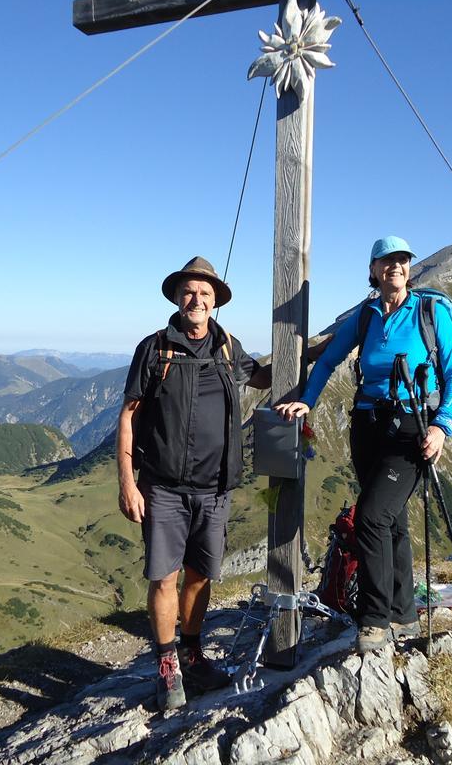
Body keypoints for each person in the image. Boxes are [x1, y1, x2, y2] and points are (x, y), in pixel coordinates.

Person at [275, 235, 452, 654]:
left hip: (412, 427)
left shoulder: (430, 312)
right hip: (367, 425)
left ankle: (375, 619)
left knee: (372, 517)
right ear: (374, 270)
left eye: (402, 260)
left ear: (408, 269)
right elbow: (328, 360)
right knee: (391, 520)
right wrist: (308, 401)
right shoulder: (366, 315)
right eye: (386, 260)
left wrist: (442, 427)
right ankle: (403, 611)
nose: (395, 266)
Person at [117, 256, 270, 711]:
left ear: (215, 301)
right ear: (177, 298)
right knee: (163, 578)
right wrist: (127, 481)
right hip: (162, 487)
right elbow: (128, 415)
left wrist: (317, 350)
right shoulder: (155, 348)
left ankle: (192, 654)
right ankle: (166, 666)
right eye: (189, 292)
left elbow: (261, 377)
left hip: (215, 488)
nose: (196, 299)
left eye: (205, 293)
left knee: (201, 577)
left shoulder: (227, 347)